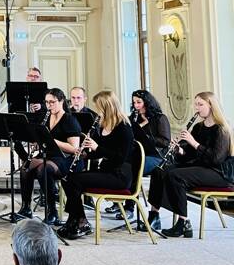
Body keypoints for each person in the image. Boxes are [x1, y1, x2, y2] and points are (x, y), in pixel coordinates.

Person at [147, 91, 234, 238]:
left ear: (211, 106)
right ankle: (154, 215)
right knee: (159, 171)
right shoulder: (199, 127)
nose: (196, 108)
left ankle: (184, 223)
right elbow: (190, 155)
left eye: (200, 104)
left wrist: (193, 142)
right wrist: (179, 150)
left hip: (219, 172)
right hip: (201, 166)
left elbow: (215, 159)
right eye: (195, 104)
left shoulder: (222, 129)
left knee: (176, 176)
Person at [57, 90, 133, 240]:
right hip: (106, 171)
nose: (97, 111)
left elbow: (120, 158)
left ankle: (78, 221)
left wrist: (97, 147)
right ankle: (78, 219)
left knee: (74, 180)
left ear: (107, 107)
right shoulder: (104, 125)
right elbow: (100, 153)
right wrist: (86, 153)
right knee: (67, 178)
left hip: (119, 175)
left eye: (99, 107)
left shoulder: (124, 128)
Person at [17, 88, 80, 225]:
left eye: (52, 102)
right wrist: (39, 141)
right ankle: (26, 208)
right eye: (46, 102)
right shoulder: (46, 117)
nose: (49, 105)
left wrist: (52, 140)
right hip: (48, 154)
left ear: (61, 101)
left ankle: (52, 212)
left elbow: (74, 149)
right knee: (26, 167)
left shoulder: (69, 120)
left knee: (43, 170)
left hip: (65, 158)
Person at [111, 90, 170, 221]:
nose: (136, 105)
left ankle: (129, 207)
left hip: (156, 156)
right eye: (134, 103)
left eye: (139, 102)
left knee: (133, 169)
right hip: (137, 154)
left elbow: (165, 141)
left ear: (147, 103)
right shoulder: (133, 118)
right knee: (121, 164)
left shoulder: (160, 118)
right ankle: (118, 200)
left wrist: (146, 135)